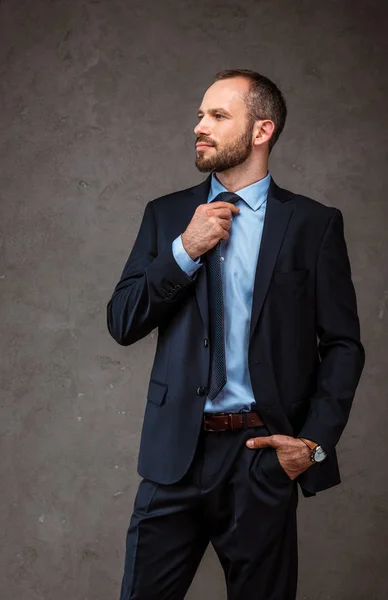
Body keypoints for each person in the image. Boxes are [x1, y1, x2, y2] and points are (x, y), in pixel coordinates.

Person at [106, 69, 365, 600]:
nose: (200, 126)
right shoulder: (166, 216)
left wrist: (313, 444)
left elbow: (342, 346)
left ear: (262, 130)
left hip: (261, 460)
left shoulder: (313, 224)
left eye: (218, 116)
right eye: (201, 115)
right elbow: (123, 321)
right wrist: (184, 250)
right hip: (173, 457)